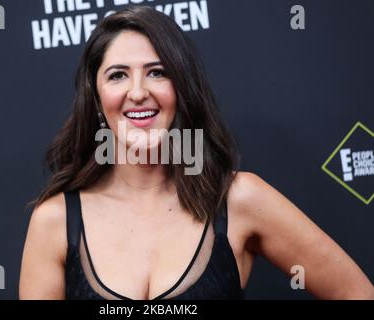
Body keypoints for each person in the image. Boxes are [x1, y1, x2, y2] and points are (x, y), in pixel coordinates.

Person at [19, 6, 374, 300]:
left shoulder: (237, 198)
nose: (138, 92)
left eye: (157, 72)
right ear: (97, 99)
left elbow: (356, 292)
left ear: (181, 88)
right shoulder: (55, 222)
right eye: (117, 76)